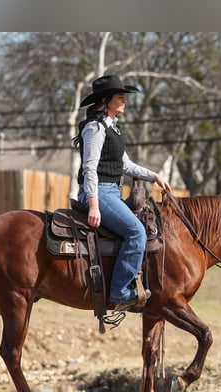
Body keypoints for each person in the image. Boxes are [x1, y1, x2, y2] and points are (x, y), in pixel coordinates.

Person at [73, 74, 172, 312]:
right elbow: (90, 167)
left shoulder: (113, 129)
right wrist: (94, 204)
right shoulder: (95, 129)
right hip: (99, 193)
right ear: (106, 101)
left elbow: (125, 165)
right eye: (120, 97)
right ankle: (120, 290)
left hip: (112, 193)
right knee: (136, 231)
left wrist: (154, 175)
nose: (125, 101)